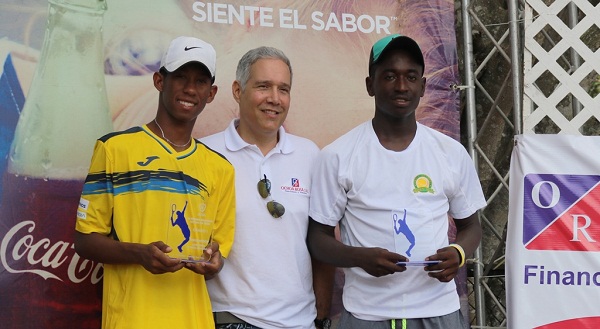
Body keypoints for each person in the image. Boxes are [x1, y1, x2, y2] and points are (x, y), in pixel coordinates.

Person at [306, 34, 487, 329]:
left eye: (411, 77)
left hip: (439, 311)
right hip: (368, 314)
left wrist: (459, 252)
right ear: (370, 85)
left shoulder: (450, 152)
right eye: (389, 76)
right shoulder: (338, 155)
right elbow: (317, 239)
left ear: (423, 87)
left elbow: (471, 226)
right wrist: (359, 257)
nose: (401, 86)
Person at [74, 36, 236, 329]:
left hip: (193, 320)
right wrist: (139, 253)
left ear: (211, 93)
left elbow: (217, 255)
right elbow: (85, 241)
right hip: (131, 319)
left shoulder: (220, 169)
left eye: (200, 81)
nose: (190, 89)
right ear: (159, 80)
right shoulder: (114, 149)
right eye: (181, 77)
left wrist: (213, 262)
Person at [201, 46, 335, 329]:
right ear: (238, 90)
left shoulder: (309, 154)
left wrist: (321, 318)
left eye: (283, 89)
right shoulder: (205, 154)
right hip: (231, 318)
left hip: (301, 321)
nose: (274, 99)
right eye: (263, 86)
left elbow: (321, 242)